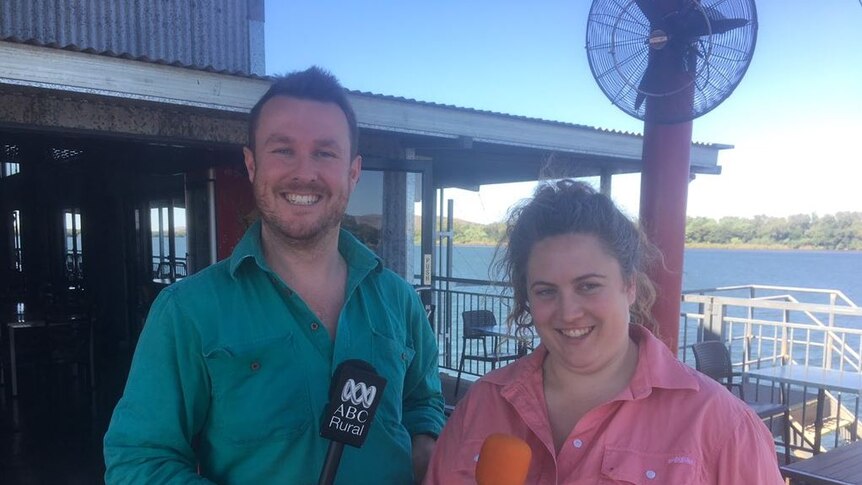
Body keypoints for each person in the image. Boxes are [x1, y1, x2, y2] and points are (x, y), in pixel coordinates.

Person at [104, 66, 445, 484]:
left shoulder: (399, 300)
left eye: (325, 152)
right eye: (283, 150)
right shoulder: (187, 312)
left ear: (353, 172)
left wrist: (427, 448)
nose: (304, 173)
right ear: (251, 164)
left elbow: (422, 402)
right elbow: (138, 463)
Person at [424, 180, 784, 484]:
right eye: (546, 291)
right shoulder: (484, 404)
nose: (568, 312)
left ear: (629, 285)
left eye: (588, 286)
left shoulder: (722, 427)